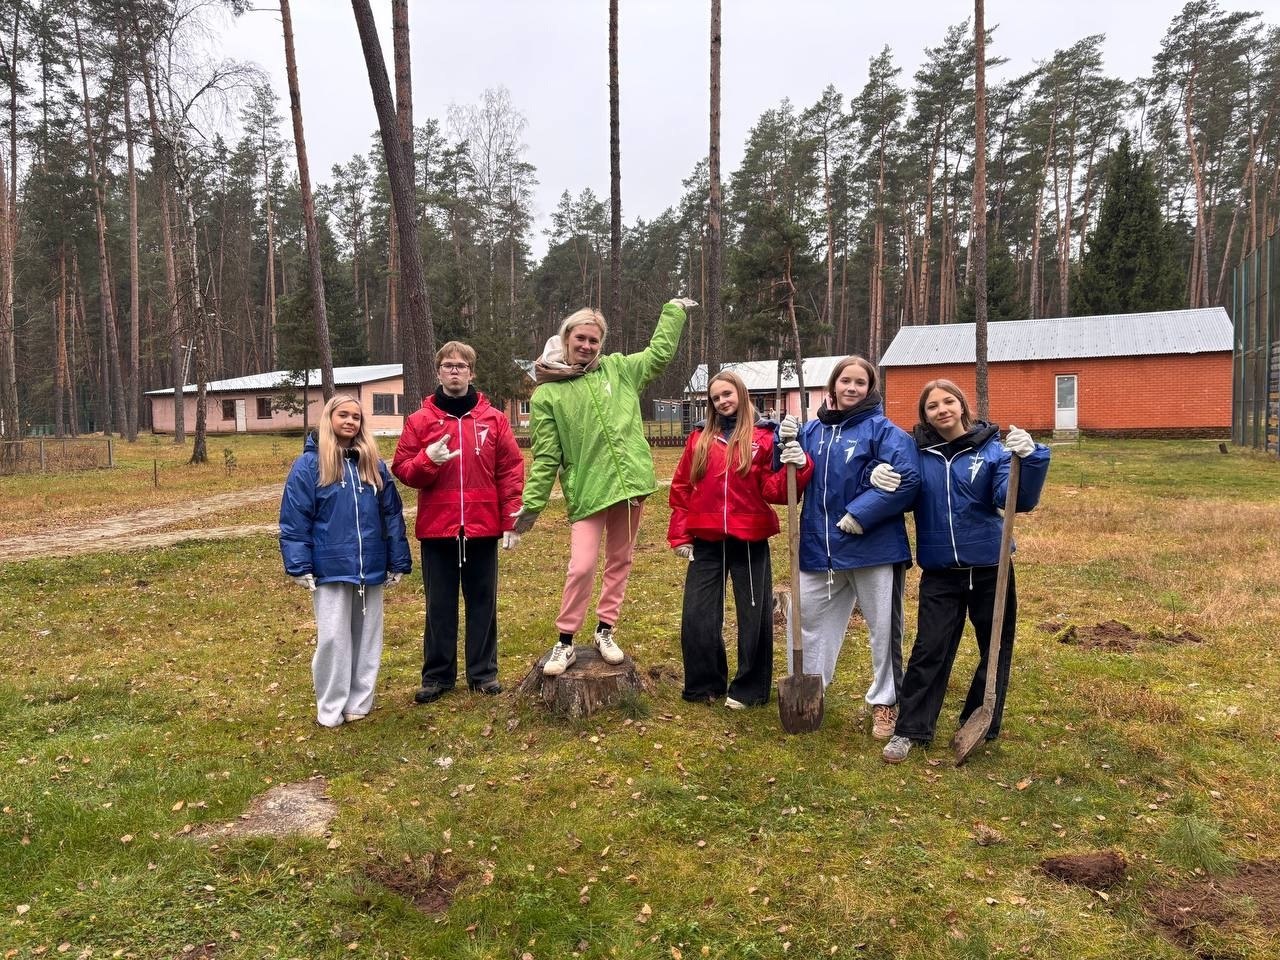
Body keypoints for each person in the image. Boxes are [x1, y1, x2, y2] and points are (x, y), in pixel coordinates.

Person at [515, 296, 695, 675]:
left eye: (594, 340)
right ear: (566, 339)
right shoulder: (547, 393)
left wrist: (673, 312)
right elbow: (547, 457)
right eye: (580, 338)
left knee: (620, 561)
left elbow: (659, 354)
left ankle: (605, 629)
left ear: (602, 343)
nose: (587, 346)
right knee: (581, 566)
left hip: (629, 486)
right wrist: (529, 510)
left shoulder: (620, 370)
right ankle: (565, 641)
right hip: (588, 492)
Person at [879, 381, 1050, 763]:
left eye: (948, 401)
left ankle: (980, 720)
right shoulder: (918, 455)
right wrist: (879, 479)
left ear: (961, 406)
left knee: (995, 649)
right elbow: (899, 489)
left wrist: (1033, 459)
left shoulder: (992, 451)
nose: (941, 410)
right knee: (929, 649)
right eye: (932, 406)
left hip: (992, 568)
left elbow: (1015, 498)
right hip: (941, 571)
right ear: (924, 415)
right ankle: (911, 730)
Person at [778, 356, 919, 739]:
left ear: (870, 388)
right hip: (818, 549)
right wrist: (781, 445)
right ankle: (811, 690)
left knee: (884, 629)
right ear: (833, 385)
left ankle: (885, 702)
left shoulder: (885, 432)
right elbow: (784, 481)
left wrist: (863, 513)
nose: (852, 388)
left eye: (861, 382)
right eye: (846, 381)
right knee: (806, 621)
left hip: (873, 548)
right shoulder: (810, 432)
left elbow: (909, 480)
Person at [392, 341, 525, 704]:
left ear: (471, 372)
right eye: (448, 365)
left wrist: (511, 519)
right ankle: (437, 676)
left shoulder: (493, 419)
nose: (454, 371)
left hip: (482, 527)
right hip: (438, 529)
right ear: (438, 372)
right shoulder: (420, 421)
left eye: (461, 366)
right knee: (439, 605)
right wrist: (427, 460)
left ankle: (483, 673)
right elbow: (403, 470)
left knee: (483, 601)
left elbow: (510, 469)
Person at [669, 371, 811, 708]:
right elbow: (682, 489)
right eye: (716, 398)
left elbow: (776, 491)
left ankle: (749, 688)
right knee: (697, 616)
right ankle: (705, 683)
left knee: (753, 616)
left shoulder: (764, 438)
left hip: (749, 539)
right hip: (705, 539)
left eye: (727, 394)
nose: (722, 402)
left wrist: (799, 464)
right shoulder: (699, 439)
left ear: (741, 394)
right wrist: (680, 535)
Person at [279, 394, 412, 728]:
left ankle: (360, 701)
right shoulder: (309, 466)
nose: (350, 422)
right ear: (330, 418)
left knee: (367, 636)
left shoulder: (374, 465)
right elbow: (295, 518)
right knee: (334, 639)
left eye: (356, 417)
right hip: (331, 566)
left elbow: (391, 515)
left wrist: (397, 560)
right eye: (344, 415)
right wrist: (299, 564)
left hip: (372, 565)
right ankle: (330, 706)